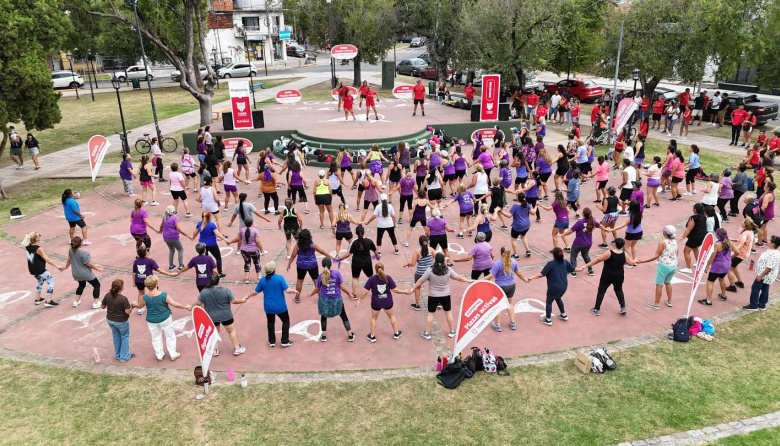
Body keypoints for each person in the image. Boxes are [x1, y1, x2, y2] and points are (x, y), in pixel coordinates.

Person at [414, 253, 474, 340]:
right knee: (448, 313)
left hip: (433, 296)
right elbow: (459, 278)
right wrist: (468, 280)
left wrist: (413, 288)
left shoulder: (429, 270)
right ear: (443, 261)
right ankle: (452, 331)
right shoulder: (448, 270)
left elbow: (420, 281)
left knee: (430, 314)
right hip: (445, 295)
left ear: (435, 260)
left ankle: (427, 333)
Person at [136, 275, 190, 361]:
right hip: (165, 318)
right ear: (156, 283)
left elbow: (140, 305)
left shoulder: (145, 297)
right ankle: (173, 354)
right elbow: (175, 304)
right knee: (170, 335)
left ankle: (159, 355)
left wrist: (134, 304)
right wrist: (185, 307)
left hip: (151, 319)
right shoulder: (163, 295)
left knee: (156, 337)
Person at [246, 261, 299, 347]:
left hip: (268, 307)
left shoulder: (262, 280)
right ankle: (284, 340)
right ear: (274, 270)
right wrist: (294, 291)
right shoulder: (280, 278)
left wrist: (248, 296)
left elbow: (255, 292)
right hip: (280, 306)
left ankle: (271, 341)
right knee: (285, 321)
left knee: (270, 322)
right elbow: (287, 290)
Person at [580, 238, 637, 316]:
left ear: (615, 244)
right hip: (619, 276)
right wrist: (636, 260)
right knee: (619, 290)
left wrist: (586, 265)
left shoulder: (609, 253)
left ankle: (596, 309)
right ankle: (623, 307)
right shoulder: (624, 254)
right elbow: (631, 263)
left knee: (601, 291)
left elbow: (598, 260)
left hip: (607, 275)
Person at [194, 274, 247, 356]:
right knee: (231, 331)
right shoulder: (225, 290)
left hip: (211, 316)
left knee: (214, 333)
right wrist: (242, 300)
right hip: (226, 315)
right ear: (219, 281)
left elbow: (198, 302)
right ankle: (237, 348)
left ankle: (215, 350)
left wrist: (190, 306)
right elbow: (234, 301)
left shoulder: (204, 291)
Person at [357, 262, 410, 342]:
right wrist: (404, 292)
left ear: (375, 270)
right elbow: (394, 290)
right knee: (391, 316)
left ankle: (372, 336)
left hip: (376, 303)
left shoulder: (372, 279)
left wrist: (359, 300)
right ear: (383, 269)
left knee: (374, 318)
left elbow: (365, 291)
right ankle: (396, 333)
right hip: (387, 302)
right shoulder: (388, 277)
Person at [306, 257, 355, 342]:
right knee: (343, 316)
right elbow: (342, 287)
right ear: (330, 265)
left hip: (324, 299)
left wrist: (311, 293)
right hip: (336, 299)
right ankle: (350, 334)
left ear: (322, 266)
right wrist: (349, 294)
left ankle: (324, 335)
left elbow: (317, 288)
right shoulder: (336, 274)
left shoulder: (321, 276)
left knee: (323, 316)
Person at [485, 246, 529, 331]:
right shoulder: (513, 261)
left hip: (500, 287)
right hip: (511, 285)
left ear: (501, 253)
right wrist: (525, 280)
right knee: (510, 303)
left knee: (497, 305)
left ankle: (497, 325)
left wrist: (480, 280)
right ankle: (513, 323)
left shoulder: (497, 263)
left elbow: (491, 275)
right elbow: (519, 273)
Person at [529, 247, 573, 326]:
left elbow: (541, 274)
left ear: (554, 255)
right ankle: (563, 314)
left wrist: (531, 277)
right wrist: (582, 268)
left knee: (549, 301)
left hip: (554, 287)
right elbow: (572, 269)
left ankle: (548, 319)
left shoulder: (550, 264)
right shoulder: (565, 262)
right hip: (564, 286)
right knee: (558, 298)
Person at [637, 225, 678, 309]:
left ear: (665, 232)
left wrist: (644, 261)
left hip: (664, 266)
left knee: (659, 284)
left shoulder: (662, 242)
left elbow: (656, 256)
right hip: (673, 265)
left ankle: (656, 304)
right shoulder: (674, 241)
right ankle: (669, 301)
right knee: (668, 282)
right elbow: (677, 253)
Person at [286, 229, 331, 302]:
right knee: (316, 281)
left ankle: (297, 297)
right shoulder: (313, 245)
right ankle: (321, 297)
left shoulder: (297, 245)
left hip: (301, 265)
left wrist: (289, 263)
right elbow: (322, 251)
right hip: (312, 265)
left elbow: (293, 255)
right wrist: (330, 256)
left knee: (300, 280)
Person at [132, 245, 175, 315]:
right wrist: (169, 274)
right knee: (154, 292)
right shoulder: (150, 261)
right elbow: (159, 270)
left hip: (139, 280)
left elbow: (134, 273)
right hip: (149, 280)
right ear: (146, 253)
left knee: (141, 293)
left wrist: (134, 282)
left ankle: (140, 308)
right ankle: (157, 306)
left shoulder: (136, 261)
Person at [62, 236, 104, 309]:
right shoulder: (84, 252)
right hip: (85, 273)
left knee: (81, 285)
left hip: (76, 273)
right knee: (96, 284)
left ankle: (76, 301)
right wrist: (98, 269)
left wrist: (65, 267)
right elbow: (88, 264)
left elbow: (69, 260)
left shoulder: (70, 250)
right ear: (81, 243)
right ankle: (96, 302)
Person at [22, 231, 62, 307]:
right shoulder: (38, 248)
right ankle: (48, 300)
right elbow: (47, 259)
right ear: (36, 239)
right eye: (38, 236)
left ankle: (38, 298)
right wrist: (57, 266)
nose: (40, 236)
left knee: (40, 281)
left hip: (32, 270)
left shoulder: (27, 246)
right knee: (51, 281)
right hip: (40, 269)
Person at [561, 207, 599, 277]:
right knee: (585, 255)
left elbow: (570, 231)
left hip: (578, 243)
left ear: (583, 214)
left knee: (573, 256)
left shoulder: (580, 222)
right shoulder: (592, 221)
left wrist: (562, 235)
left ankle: (573, 272)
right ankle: (590, 270)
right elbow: (600, 225)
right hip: (588, 243)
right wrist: (606, 229)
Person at [102, 279, 134, 362]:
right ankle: (124, 356)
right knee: (125, 336)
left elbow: (102, 306)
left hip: (110, 320)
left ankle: (117, 354)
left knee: (116, 336)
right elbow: (127, 312)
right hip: (121, 321)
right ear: (122, 288)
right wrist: (132, 307)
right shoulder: (123, 299)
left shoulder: (108, 295)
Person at [744, 236, 780, 310]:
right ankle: (762, 305)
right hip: (769, 277)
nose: (768, 241)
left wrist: (761, 275)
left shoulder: (772, 254)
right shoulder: (775, 252)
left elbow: (769, 267)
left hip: (764, 275)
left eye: (770, 240)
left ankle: (753, 305)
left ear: (773, 243)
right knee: (765, 289)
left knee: (755, 288)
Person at [698, 228, 732, 306]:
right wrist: (729, 258)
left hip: (717, 266)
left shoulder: (717, 244)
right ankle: (723, 295)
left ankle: (708, 300)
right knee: (721, 279)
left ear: (717, 235)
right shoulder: (730, 242)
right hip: (727, 265)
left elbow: (712, 257)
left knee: (710, 282)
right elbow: (737, 252)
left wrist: (707, 266)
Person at [192, 211, 230, 277]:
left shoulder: (199, 224)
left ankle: (206, 273)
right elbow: (218, 234)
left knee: (204, 259)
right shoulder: (212, 225)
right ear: (210, 217)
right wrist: (226, 240)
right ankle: (219, 273)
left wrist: (193, 237)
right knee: (218, 257)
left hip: (202, 245)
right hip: (212, 244)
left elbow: (195, 233)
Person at [726, 218, 758, 293]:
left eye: (743, 222)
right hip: (745, 253)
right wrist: (732, 239)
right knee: (734, 267)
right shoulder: (750, 232)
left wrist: (734, 251)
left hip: (740, 253)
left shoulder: (745, 233)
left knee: (729, 268)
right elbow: (742, 240)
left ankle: (732, 286)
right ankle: (740, 282)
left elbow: (741, 243)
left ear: (745, 225)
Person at [160, 205, 191, 272]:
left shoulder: (164, 217)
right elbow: (178, 229)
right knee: (180, 249)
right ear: (173, 211)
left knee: (171, 250)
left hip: (166, 237)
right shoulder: (174, 218)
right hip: (173, 237)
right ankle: (180, 265)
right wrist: (187, 235)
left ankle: (171, 265)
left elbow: (161, 225)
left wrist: (160, 231)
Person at [679, 203, 707, 273]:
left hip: (695, 236)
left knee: (686, 251)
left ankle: (688, 268)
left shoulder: (693, 218)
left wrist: (682, 238)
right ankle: (699, 264)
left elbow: (689, 229)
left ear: (695, 209)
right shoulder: (704, 217)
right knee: (695, 249)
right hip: (702, 236)